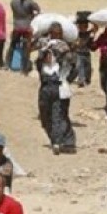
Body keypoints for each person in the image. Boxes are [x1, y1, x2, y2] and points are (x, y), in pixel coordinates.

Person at [35, 22, 77, 155]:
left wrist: (65, 80)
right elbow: (36, 58)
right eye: (54, 33)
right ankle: (57, 139)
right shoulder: (44, 45)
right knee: (45, 116)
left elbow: (73, 67)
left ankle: (59, 142)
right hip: (45, 86)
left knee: (58, 115)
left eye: (58, 34)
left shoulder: (64, 48)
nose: (56, 36)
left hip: (58, 86)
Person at [5, 0, 41, 72]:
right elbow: (38, 10)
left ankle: (7, 64)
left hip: (17, 27)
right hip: (27, 28)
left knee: (12, 46)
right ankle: (24, 68)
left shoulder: (13, 2)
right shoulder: (30, 2)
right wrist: (32, 15)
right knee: (27, 48)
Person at [74, 15, 96, 87]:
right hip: (79, 53)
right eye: (80, 27)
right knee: (79, 66)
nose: (82, 28)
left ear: (86, 27)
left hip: (87, 53)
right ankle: (81, 80)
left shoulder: (89, 33)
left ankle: (87, 79)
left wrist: (92, 21)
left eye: (84, 26)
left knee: (88, 68)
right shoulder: (76, 34)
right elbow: (77, 44)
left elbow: (95, 28)